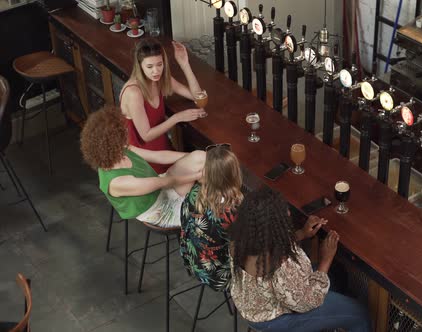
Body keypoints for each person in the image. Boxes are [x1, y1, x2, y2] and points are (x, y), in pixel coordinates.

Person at [229, 187, 372, 332]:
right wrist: (325, 259)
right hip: (277, 321)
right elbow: (306, 302)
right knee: (359, 314)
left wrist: (302, 233)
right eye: (282, 211)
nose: (288, 212)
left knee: (337, 272)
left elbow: (271, 245)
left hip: (250, 307)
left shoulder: (239, 242)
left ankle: (331, 320)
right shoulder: (278, 265)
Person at [80, 106, 205, 228]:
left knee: (201, 157)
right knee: (213, 202)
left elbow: (158, 157)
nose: (127, 132)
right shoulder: (117, 182)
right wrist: (196, 176)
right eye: (122, 132)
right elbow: (166, 182)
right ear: (112, 143)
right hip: (161, 211)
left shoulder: (122, 150)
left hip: (163, 188)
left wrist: (191, 156)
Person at [120, 38, 206, 173]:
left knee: (199, 170)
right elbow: (146, 136)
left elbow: (197, 96)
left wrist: (184, 64)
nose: (156, 71)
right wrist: (177, 117)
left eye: (159, 64)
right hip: (144, 159)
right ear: (139, 66)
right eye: (149, 67)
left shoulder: (160, 79)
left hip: (163, 150)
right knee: (196, 171)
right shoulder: (133, 92)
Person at [179, 144, 243, 291]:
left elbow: (184, 224)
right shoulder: (232, 209)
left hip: (194, 261)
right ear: (234, 173)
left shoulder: (194, 193)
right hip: (220, 276)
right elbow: (243, 248)